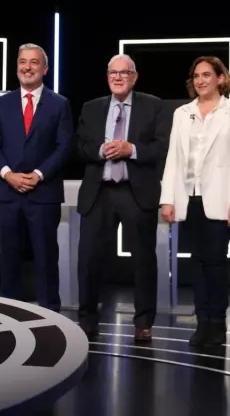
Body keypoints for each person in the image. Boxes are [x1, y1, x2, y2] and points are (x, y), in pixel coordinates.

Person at [75, 54, 170, 342]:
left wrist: (132, 150)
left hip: (135, 191)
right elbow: (79, 146)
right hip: (99, 192)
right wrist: (101, 151)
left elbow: (163, 147)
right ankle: (88, 320)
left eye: (124, 73)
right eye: (112, 73)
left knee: (143, 260)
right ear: (107, 77)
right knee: (89, 259)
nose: (118, 77)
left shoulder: (154, 106)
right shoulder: (91, 108)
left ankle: (143, 323)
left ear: (135, 76)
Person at [160, 56, 230, 346]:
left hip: (221, 200)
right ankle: (202, 322)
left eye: (206, 75)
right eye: (196, 76)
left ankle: (217, 323)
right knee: (196, 263)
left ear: (221, 79)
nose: (200, 80)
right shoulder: (182, 113)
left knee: (215, 263)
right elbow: (173, 159)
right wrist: (168, 198)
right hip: (189, 199)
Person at [0, 43, 73, 311]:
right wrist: (7, 174)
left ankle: (50, 313)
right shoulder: (3, 103)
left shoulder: (60, 104)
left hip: (42, 192)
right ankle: (9, 312)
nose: (27, 67)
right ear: (17, 68)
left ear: (45, 69)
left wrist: (38, 174)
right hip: (6, 192)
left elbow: (65, 146)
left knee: (46, 256)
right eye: (23, 62)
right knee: (9, 256)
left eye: (34, 62)